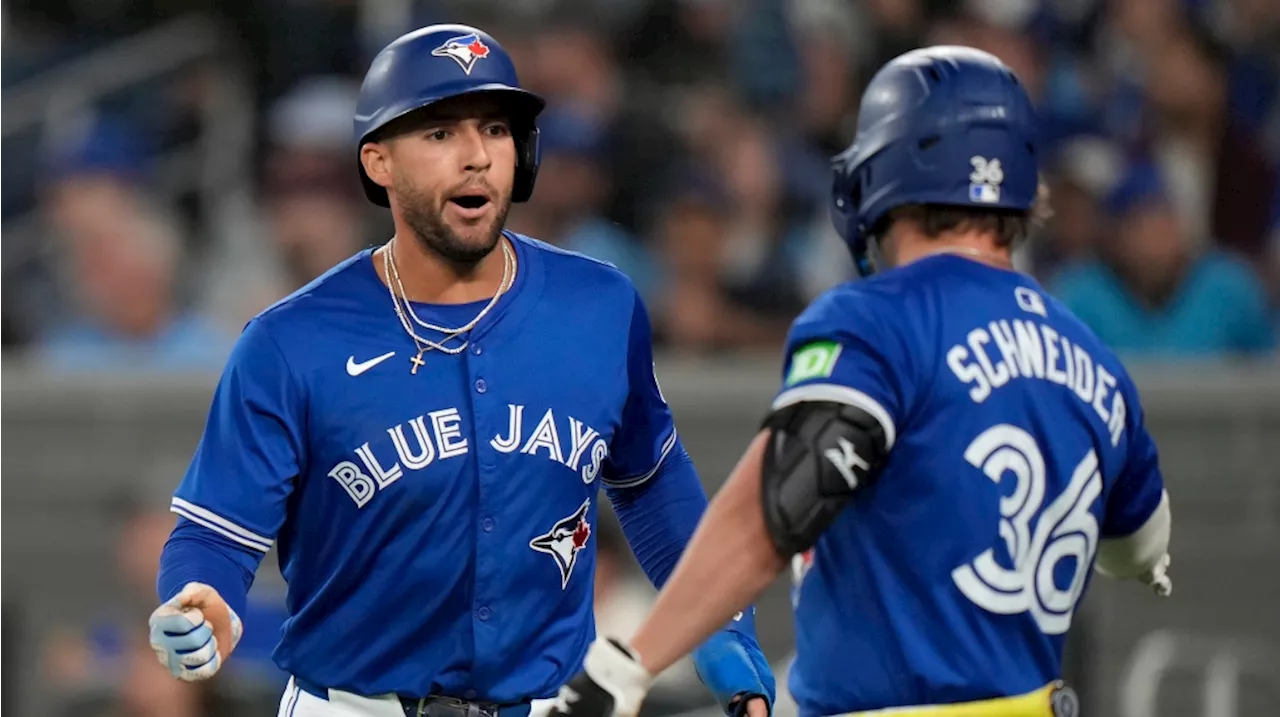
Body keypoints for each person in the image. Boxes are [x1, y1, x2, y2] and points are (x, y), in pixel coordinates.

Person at [145, 24, 775, 717]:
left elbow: (652, 485)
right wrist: (202, 594)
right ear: (379, 161)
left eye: (496, 130)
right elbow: (214, 532)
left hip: (544, 703)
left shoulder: (598, 306)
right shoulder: (290, 341)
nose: (477, 156)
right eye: (441, 133)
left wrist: (719, 628)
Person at [548, 47, 1173, 717]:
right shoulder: (1094, 356)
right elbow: (1139, 547)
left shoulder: (880, 318)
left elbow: (780, 503)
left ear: (888, 168)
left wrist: (632, 660)